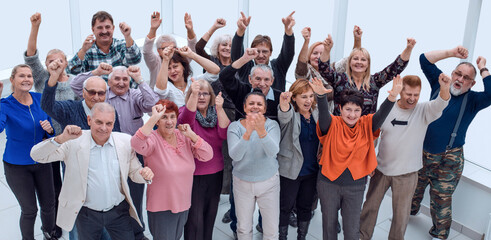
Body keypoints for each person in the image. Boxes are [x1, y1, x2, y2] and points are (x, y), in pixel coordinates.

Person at [30, 102, 154, 240]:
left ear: (114, 123)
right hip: (86, 214)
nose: (103, 128)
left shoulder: (124, 141)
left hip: (119, 212)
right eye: (99, 122)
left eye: (108, 123)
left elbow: (134, 172)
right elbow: (37, 155)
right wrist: (61, 138)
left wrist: (144, 175)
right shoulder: (73, 142)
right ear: (89, 120)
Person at [70, 63, 159, 240]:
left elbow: (153, 103)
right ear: (108, 82)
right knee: (112, 194)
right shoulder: (102, 97)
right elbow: (76, 86)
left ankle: (137, 232)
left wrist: (139, 79)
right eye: (117, 79)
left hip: (132, 153)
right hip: (107, 151)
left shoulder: (135, 96)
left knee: (134, 196)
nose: (121, 82)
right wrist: (96, 72)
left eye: (125, 79)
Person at [410, 47, 491, 240]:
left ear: (471, 84)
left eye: (465, 78)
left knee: (441, 200)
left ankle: (440, 234)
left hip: (449, 159)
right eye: (458, 74)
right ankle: (409, 213)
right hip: (421, 152)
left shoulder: (473, 100)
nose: (459, 80)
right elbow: (424, 60)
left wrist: (483, 68)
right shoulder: (440, 84)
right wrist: (453, 52)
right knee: (413, 187)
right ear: (452, 73)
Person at [359, 74, 451, 240]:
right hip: (380, 170)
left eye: (416, 95)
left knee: (401, 216)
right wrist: (369, 162)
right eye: (408, 94)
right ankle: (362, 237)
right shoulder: (388, 108)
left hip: (407, 175)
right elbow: (373, 136)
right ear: (401, 92)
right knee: (369, 208)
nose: (412, 98)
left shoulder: (424, 111)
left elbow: (441, 104)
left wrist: (444, 87)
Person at [314, 75, 402, 240]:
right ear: (340, 108)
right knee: (329, 228)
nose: (352, 114)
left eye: (356, 110)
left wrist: (392, 97)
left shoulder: (367, 125)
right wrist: (320, 97)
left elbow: (381, 115)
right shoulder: (332, 123)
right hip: (328, 184)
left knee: (352, 230)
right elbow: (324, 115)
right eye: (348, 109)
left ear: (362, 111)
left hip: (355, 186)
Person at [24, 12, 77, 238]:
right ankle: (54, 228)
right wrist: (35, 27)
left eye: (59, 59)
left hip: (73, 140)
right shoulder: (41, 79)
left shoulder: (76, 82)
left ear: (66, 62)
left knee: (73, 182)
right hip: (49, 139)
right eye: (50, 61)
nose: (55, 63)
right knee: (53, 185)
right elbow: (31, 57)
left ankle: (77, 219)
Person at [131, 100, 213, 240]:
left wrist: (192, 135)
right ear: (157, 120)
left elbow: (207, 155)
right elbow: (136, 144)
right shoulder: (152, 139)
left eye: (172, 117)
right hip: (161, 207)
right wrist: (153, 118)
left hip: (184, 203)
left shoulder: (183, 136)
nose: (169, 121)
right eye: (164, 117)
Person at [0, 64, 57, 240]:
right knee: (30, 210)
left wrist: (50, 129)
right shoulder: (5, 105)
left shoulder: (40, 99)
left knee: (49, 205)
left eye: (29, 76)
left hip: (42, 161)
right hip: (17, 166)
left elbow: (51, 129)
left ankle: (49, 233)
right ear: (12, 81)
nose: (26, 79)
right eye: (21, 76)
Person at [179, 80, 230, 240]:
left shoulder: (216, 113)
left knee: (210, 215)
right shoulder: (185, 111)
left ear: (211, 96)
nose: (201, 97)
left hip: (216, 173)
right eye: (197, 93)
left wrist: (220, 108)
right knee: (195, 220)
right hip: (194, 175)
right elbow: (186, 121)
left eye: (205, 93)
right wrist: (193, 95)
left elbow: (224, 133)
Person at [227, 90, 281, 240]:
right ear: (244, 107)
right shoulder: (234, 127)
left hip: (269, 183)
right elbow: (235, 155)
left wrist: (261, 131)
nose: (255, 107)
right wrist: (247, 133)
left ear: (264, 108)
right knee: (243, 228)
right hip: (242, 183)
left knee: (271, 229)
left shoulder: (272, 125)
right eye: (251, 103)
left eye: (259, 104)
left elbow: (273, 151)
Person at [318, 34, 415, 116]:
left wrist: (408, 48)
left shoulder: (375, 82)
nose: (359, 62)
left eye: (363, 60)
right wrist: (326, 50)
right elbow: (324, 70)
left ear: (368, 64)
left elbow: (395, 68)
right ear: (349, 62)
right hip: (340, 132)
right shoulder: (340, 80)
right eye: (355, 59)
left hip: (365, 134)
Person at [277, 79, 320, 240]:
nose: (308, 100)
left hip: (311, 171)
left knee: (305, 207)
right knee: (285, 207)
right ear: (294, 98)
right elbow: (284, 115)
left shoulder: (316, 113)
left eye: (310, 96)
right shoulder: (290, 113)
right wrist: (283, 103)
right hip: (290, 171)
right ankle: (282, 237)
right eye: (303, 96)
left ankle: (302, 236)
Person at [231, 11, 295, 91]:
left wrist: (288, 32)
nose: (261, 55)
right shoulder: (245, 67)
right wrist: (241, 30)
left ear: (271, 52)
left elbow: (288, 53)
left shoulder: (279, 67)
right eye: (257, 51)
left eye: (265, 52)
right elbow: (236, 56)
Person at [41, 67, 121, 131]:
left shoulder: (110, 111)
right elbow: (47, 106)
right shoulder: (69, 109)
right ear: (83, 92)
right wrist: (53, 77)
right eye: (92, 92)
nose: (96, 97)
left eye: (100, 93)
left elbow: (115, 137)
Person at [67, 11, 141, 78]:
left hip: (124, 91)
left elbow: (135, 59)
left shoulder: (121, 45)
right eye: (100, 28)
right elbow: (72, 72)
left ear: (113, 28)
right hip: (99, 92)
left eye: (107, 27)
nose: (104, 31)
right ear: (93, 30)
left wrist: (127, 36)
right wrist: (83, 50)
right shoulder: (87, 50)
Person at [219, 48, 282, 121]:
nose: (262, 84)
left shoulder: (280, 98)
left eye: (266, 79)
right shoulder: (241, 91)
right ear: (250, 79)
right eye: (258, 79)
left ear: (272, 81)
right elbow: (224, 77)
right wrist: (244, 59)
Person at [143, 11, 198, 89]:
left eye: (172, 48)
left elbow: (192, 49)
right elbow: (146, 51)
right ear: (158, 51)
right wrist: (153, 29)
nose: (169, 50)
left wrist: (190, 30)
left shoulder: (181, 59)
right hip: (158, 99)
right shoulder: (155, 62)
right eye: (165, 48)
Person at [154, 46, 220, 107]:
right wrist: (165, 60)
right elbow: (160, 90)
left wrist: (191, 55)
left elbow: (215, 71)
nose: (172, 71)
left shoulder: (194, 81)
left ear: (183, 66)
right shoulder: (168, 86)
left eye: (175, 66)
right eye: (168, 68)